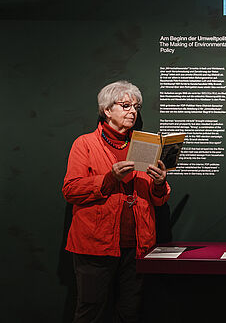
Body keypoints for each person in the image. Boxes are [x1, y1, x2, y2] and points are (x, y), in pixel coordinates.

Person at [62, 80, 170, 322]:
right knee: (91, 311)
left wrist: (161, 183)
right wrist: (110, 179)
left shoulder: (144, 144)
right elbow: (71, 190)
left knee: (130, 312)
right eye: (125, 105)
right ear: (107, 110)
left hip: (137, 246)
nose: (133, 111)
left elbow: (159, 200)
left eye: (136, 107)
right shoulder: (85, 144)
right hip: (95, 246)